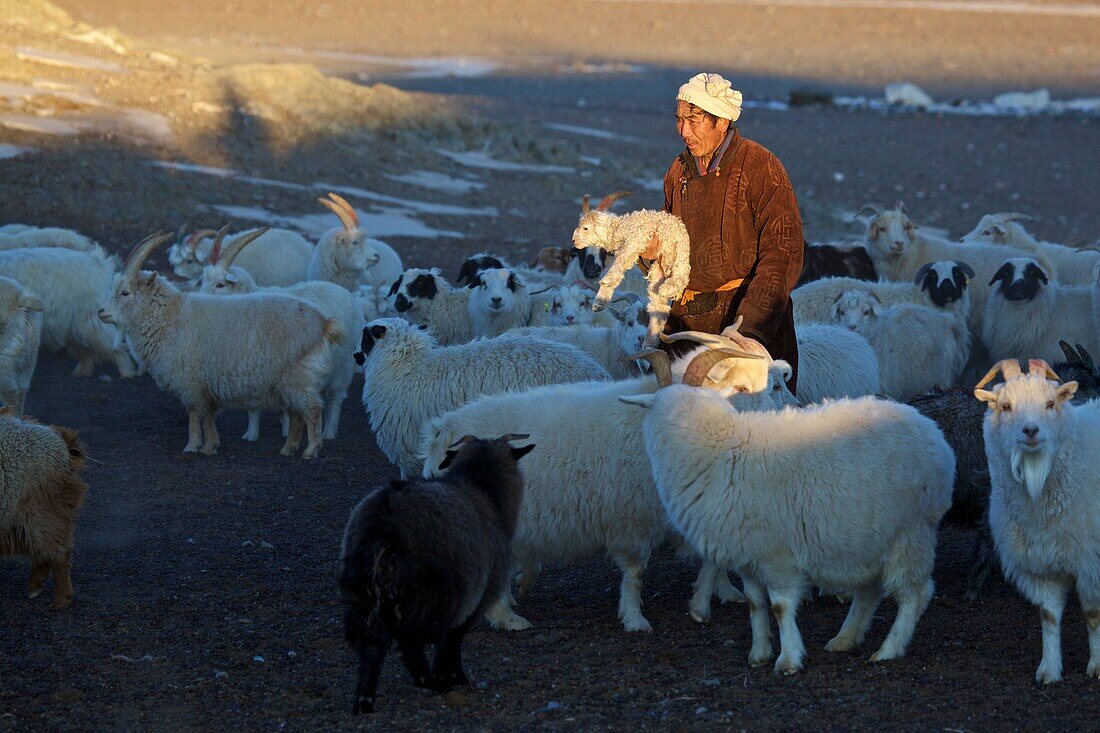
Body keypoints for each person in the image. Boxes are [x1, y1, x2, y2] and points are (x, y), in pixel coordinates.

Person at [658, 72, 804, 391]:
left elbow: (783, 255)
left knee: (756, 430)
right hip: (689, 327)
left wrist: (749, 330)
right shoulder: (677, 172)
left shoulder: (761, 168)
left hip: (746, 325)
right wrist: (649, 260)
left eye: (694, 120)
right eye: (680, 119)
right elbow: (669, 256)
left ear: (721, 122)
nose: (683, 130)